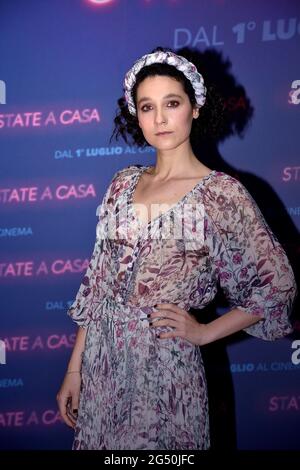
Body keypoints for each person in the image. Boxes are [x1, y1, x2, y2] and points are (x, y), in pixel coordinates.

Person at [56, 47, 297, 450]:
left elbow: (278, 287)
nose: (160, 118)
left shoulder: (222, 195)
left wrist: (204, 333)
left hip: (167, 368)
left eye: (172, 103)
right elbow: (98, 283)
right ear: (136, 114)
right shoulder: (121, 183)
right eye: (147, 107)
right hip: (103, 363)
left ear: (195, 107)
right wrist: (74, 370)